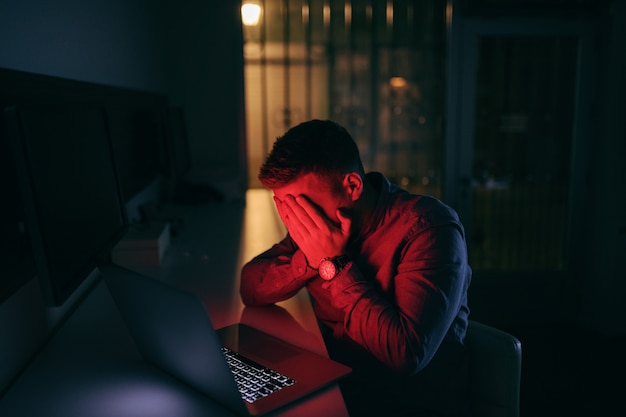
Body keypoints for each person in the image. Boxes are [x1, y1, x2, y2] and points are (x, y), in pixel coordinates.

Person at [240, 120, 472, 417]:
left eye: (302, 206)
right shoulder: (316, 226)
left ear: (352, 186)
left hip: (409, 403)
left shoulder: (430, 228)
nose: (295, 220)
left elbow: (406, 355)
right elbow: (250, 288)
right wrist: (312, 259)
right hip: (341, 383)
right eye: (285, 207)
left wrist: (335, 266)